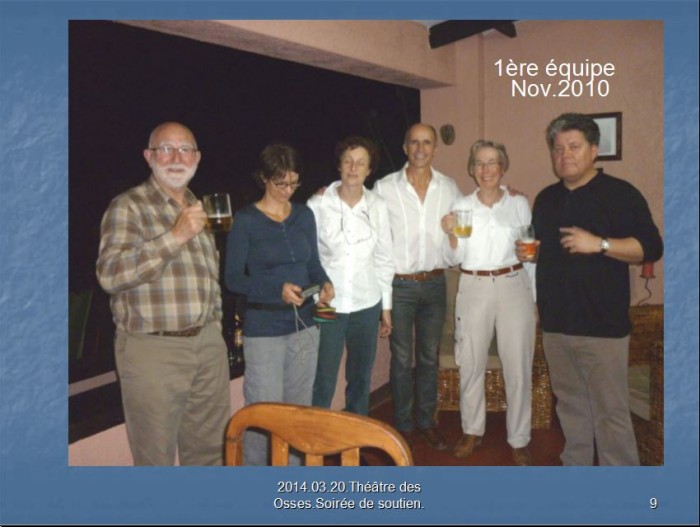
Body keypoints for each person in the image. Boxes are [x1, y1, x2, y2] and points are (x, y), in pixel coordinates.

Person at [524, 113, 663, 466]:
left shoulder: (620, 193)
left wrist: (599, 244)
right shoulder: (546, 199)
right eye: (558, 149)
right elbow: (544, 254)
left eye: (574, 146)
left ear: (594, 151)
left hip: (602, 328)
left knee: (610, 415)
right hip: (556, 326)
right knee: (571, 409)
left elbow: (651, 247)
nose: (564, 155)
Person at [96, 121, 231, 466]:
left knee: (210, 455)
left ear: (197, 157)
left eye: (185, 150)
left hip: (207, 347)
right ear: (149, 156)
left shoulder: (199, 208)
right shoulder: (128, 205)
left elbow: (208, 277)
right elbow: (110, 274)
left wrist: (215, 330)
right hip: (153, 349)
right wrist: (175, 236)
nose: (176, 158)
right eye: (166, 149)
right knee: (155, 460)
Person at [225, 143, 334, 466]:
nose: (288, 190)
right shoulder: (246, 220)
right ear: (264, 178)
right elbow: (233, 279)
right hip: (264, 329)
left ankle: (293, 483)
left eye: (294, 183)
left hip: (305, 325)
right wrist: (277, 290)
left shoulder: (304, 215)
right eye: (280, 183)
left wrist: (325, 283)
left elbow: (313, 263)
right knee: (264, 415)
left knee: (299, 413)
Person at [441, 140, 537, 466]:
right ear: (472, 169)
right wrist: (451, 235)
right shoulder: (461, 205)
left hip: (513, 285)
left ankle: (519, 439)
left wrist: (534, 299)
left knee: (518, 366)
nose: (486, 170)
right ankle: (472, 429)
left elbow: (529, 255)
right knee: (470, 363)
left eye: (492, 162)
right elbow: (453, 257)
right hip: (474, 285)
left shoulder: (519, 203)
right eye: (479, 163)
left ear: (502, 167)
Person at [373, 123, 461, 450]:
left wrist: (509, 195)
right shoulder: (384, 188)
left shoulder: (449, 188)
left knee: (428, 357)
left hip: (436, 284)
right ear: (405, 147)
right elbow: (372, 236)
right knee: (400, 358)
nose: (420, 149)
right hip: (400, 286)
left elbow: (470, 221)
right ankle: (403, 425)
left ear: (435, 148)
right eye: (414, 142)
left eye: (426, 143)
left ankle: (426, 421)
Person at [307, 136, 394, 417]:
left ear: (369, 170)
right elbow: (309, 256)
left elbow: (384, 258)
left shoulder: (378, 205)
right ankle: (317, 439)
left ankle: (355, 438)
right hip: (327, 304)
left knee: (360, 379)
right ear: (339, 166)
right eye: (348, 161)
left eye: (360, 163)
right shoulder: (318, 204)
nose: (353, 168)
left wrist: (386, 308)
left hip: (367, 305)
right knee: (323, 377)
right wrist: (316, 291)